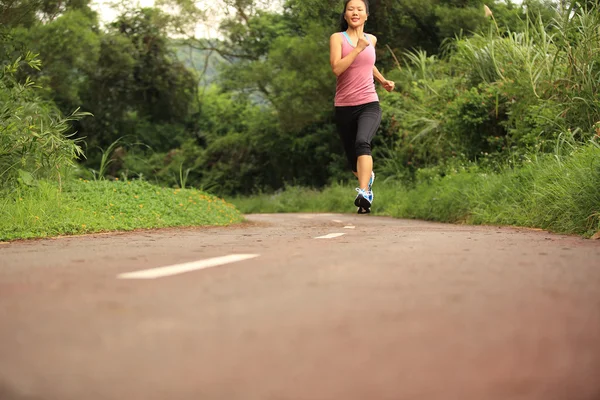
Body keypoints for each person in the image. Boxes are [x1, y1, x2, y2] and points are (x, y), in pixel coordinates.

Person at [329, 0, 395, 214]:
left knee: (362, 142)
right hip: (344, 107)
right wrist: (357, 49)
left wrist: (383, 80)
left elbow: (369, 62)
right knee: (353, 161)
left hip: (369, 103)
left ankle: (365, 192)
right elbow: (337, 68)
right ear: (345, 15)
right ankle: (367, 178)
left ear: (366, 15)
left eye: (359, 9)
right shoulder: (338, 38)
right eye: (350, 9)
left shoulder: (371, 39)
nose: (355, 12)